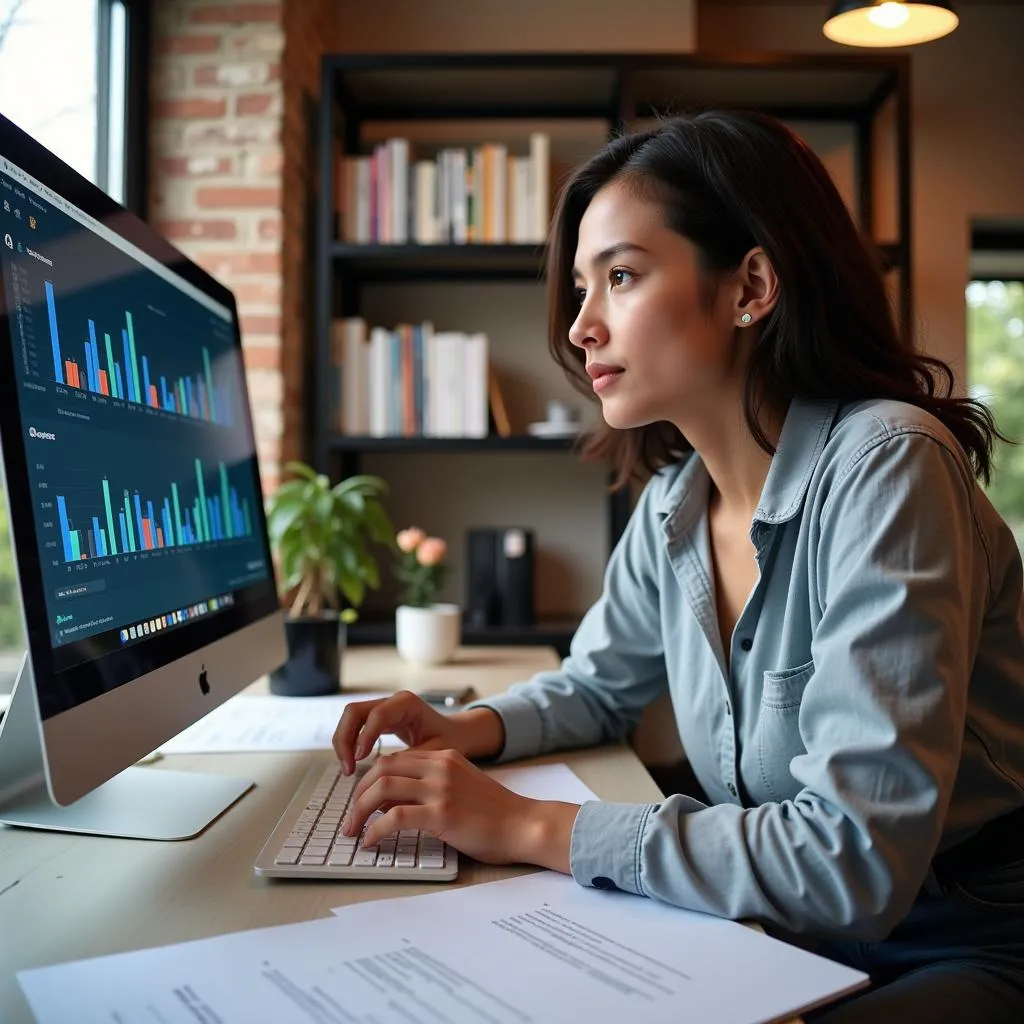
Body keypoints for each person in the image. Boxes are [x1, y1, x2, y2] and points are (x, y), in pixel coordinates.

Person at [332, 110, 1024, 1022]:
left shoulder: (887, 464)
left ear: (751, 286)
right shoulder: (673, 504)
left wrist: (525, 826)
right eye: (581, 288)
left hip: (960, 937)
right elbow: (596, 686)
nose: (580, 328)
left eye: (620, 276)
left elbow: (855, 858)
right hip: (783, 935)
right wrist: (467, 727)